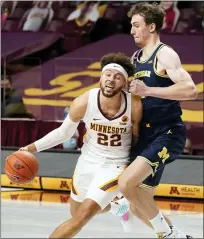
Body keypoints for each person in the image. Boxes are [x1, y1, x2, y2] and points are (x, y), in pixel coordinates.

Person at [19, 52, 143, 238]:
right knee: (75, 212)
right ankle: (118, 206)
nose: (111, 80)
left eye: (117, 77)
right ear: (101, 77)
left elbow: (137, 139)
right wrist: (30, 148)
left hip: (115, 165)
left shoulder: (133, 104)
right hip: (88, 160)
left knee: (81, 218)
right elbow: (64, 133)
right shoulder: (84, 101)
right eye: (107, 75)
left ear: (124, 83)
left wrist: (134, 170)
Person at [110, 2, 197, 238]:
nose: (132, 30)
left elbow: (191, 90)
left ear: (151, 27)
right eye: (131, 25)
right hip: (145, 135)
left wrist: (148, 91)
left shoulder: (165, 54)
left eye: (136, 25)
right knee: (140, 204)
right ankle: (177, 236)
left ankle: (168, 235)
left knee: (126, 184)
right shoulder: (135, 58)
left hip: (168, 132)